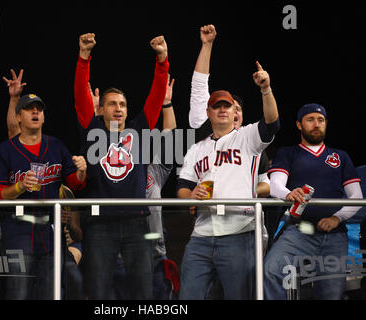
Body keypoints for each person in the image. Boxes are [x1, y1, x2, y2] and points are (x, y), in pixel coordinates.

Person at [74, 32, 169, 299]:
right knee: (98, 291)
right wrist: (84, 57)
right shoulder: (90, 129)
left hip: (136, 223)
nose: (119, 109)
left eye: (123, 105)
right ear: (100, 110)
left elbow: (156, 96)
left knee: (142, 291)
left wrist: (162, 60)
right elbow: (81, 95)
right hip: (99, 225)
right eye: (112, 104)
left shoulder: (139, 131)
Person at [177, 54, 280, 300]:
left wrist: (265, 89)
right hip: (201, 235)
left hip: (239, 231)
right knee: (188, 297)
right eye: (217, 106)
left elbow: (272, 123)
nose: (222, 109)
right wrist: (190, 194)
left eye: (227, 105)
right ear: (208, 112)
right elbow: (182, 187)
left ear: (235, 111)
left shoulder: (246, 137)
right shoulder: (196, 149)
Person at [0, 77, 87, 299]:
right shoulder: (5, 151)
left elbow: (75, 183)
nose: (35, 112)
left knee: (50, 293)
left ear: (43, 117)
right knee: (19, 294)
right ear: (18, 117)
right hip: (17, 232)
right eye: (28, 109)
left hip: (51, 234)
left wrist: (81, 170)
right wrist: (20, 186)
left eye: (39, 110)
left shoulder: (56, 146)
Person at [264, 103, 363, 300]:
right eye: (310, 120)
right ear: (299, 125)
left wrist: (336, 218)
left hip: (334, 235)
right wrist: (288, 194)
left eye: (321, 120)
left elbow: (357, 197)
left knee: (331, 294)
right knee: (271, 271)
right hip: (299, 231)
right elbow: (274, 185)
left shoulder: (340, 156)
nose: (316, 124)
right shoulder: (288, 152)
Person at [189, 24, 270, 198]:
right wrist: (207, 45)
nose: (226, 112)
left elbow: (267, 184)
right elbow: (199, 86)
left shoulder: (251, 141)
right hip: (207, 218)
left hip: (244, 218)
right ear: (209, 113)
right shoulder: (203, 129)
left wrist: (243, 192)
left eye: (235, 109)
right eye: (219, 107)